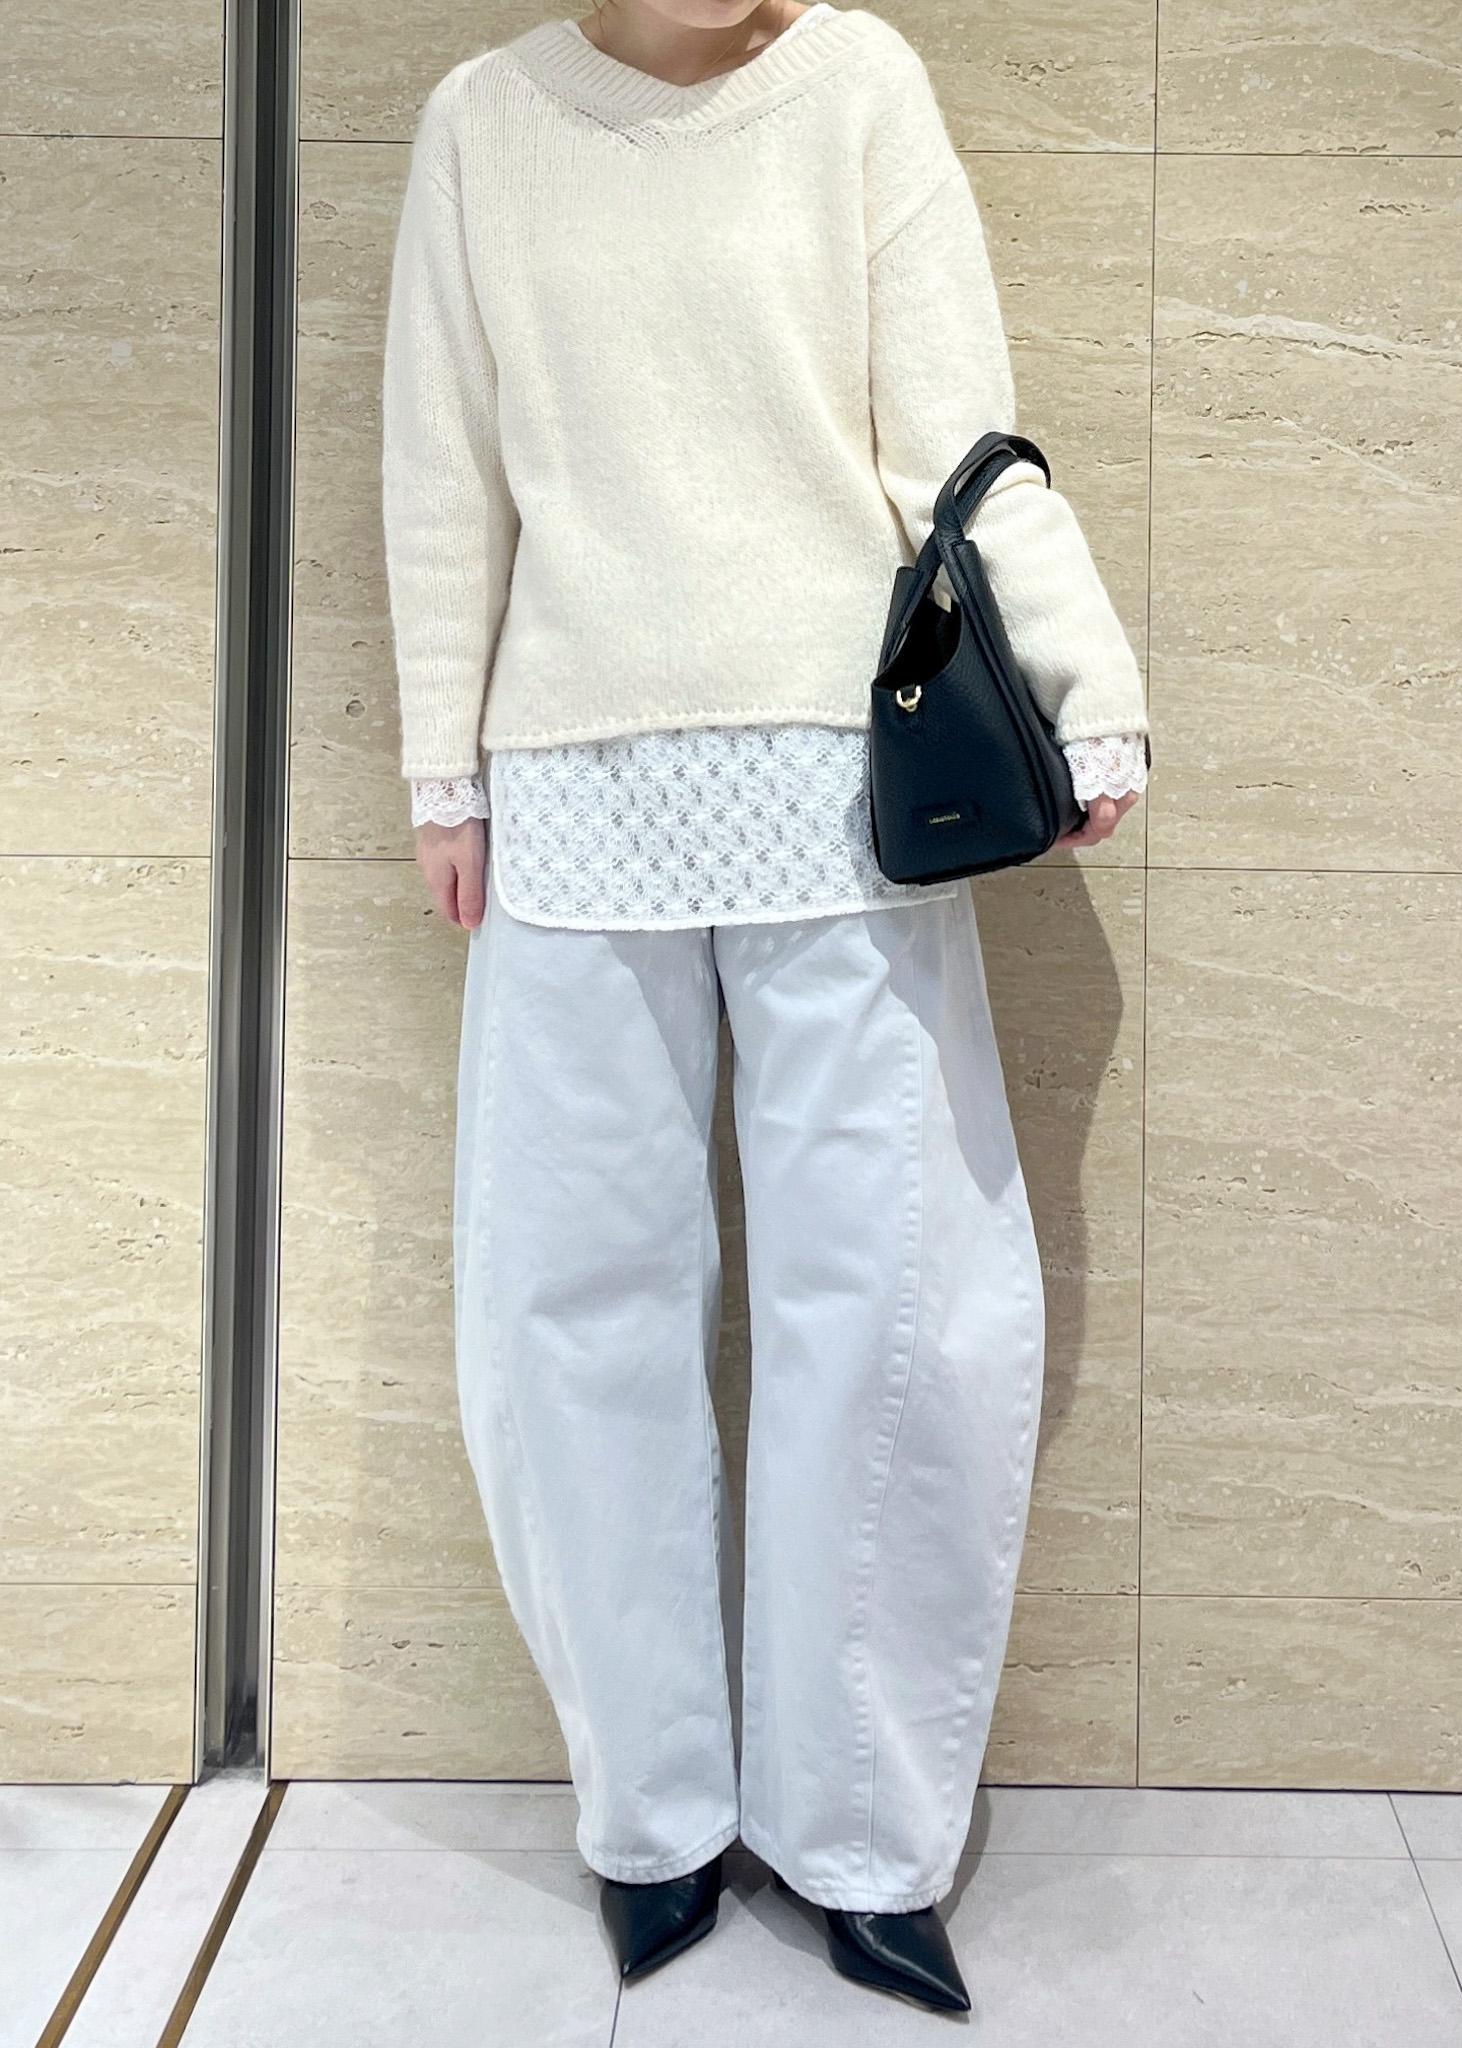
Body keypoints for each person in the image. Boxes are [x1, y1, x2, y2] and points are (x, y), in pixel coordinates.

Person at [381, 0, 1150, 2015]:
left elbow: (959, 443)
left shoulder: (857, 86)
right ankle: (648, 1815)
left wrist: (1079, 681)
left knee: (894, 1301)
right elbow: (442, 468)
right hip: (569, 789)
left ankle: (863, 1837)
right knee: (569, 1305)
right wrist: (444, 773)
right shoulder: (482, 122)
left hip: (840, 779)